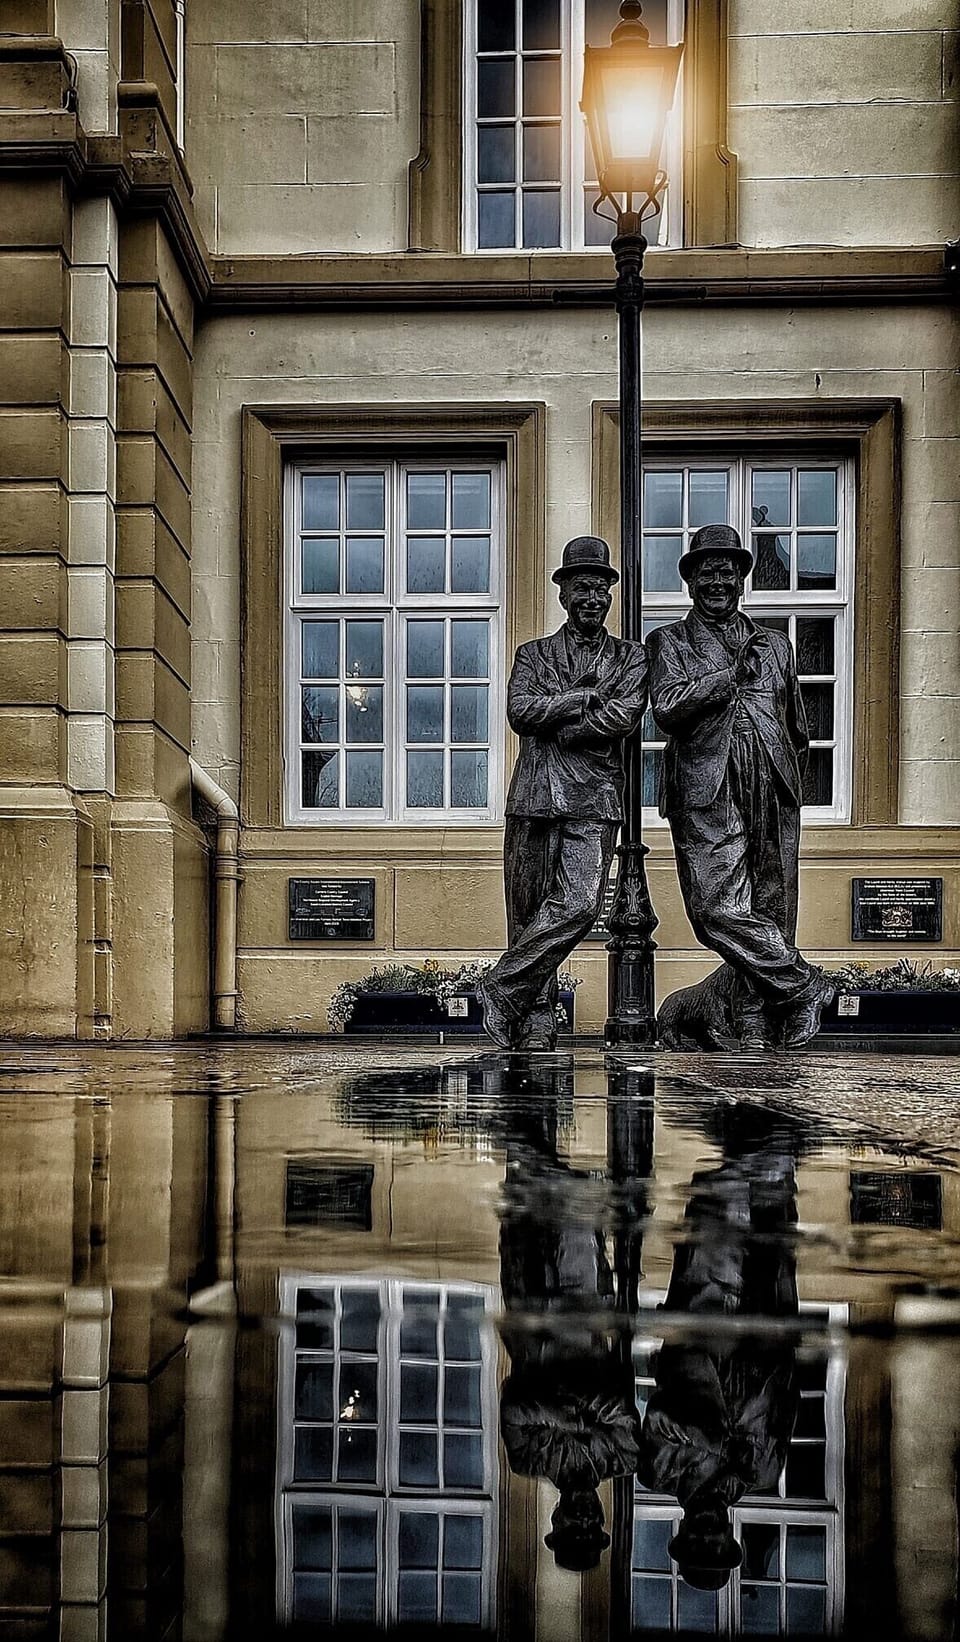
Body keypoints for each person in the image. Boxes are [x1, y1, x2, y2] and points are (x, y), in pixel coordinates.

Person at [646, 523, 833, 1050]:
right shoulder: (669, 642)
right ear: (690, 582)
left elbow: (797, 727)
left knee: (772, 905)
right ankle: (803, 986)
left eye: (727, 573)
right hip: (706, 785)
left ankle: (756, 1022)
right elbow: (667, 708)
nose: (717, 582)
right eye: (707, 573)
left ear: (742, 580)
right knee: (713, 910)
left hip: (772, 779)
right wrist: (725, 679)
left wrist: (785, 778)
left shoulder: (775, 645)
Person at [478, 536, 647, 1050]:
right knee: (528, 911)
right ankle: (534, 1021)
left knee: (579, 905)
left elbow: (624, 716)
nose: (592, 598)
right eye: (582, 588)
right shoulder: (532, 654)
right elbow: (520, 711)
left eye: (600, 589)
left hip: (595, 798)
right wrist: (581, 698)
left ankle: (501, 987)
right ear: (564, 594)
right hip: (534, 794)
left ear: (610, 595)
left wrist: (565, 724)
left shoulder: (630, 657)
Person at [638, 1105, 803, 1591]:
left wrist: (708, 1440)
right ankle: (775, 1127)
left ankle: (734, 1111)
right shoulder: (762, 1473)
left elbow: (660, 1416)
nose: (707, 1534)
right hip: (766, 1328)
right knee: (772, 1218)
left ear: (682, 1535)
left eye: (697, 1543)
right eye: (716, 1544)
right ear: (730, 1537)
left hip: (705, 1328)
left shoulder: (658, 1472)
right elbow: (786, 1404)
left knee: (722, 1209)